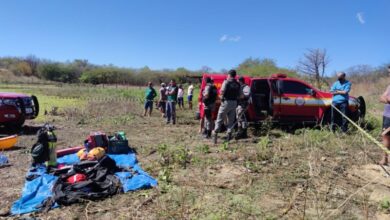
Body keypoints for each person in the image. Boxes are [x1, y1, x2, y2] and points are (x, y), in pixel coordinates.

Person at [213, 69, 241, 143]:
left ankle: (215, 134)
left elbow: (222, 92)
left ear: (229, 75)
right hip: (234, 103)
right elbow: (241, 95)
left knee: (220, 118)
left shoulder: (226, 82)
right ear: (235, 76)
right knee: (231, 120)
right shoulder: (238, 84)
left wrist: (221, 98)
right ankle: (229, 136)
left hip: (226, 102)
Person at [379, 66, 390, 130]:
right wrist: (387, 99)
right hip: (386, 115)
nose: (389, 74)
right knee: (385, 137)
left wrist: (386, 98)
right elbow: (381, 98)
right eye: (389, 72)